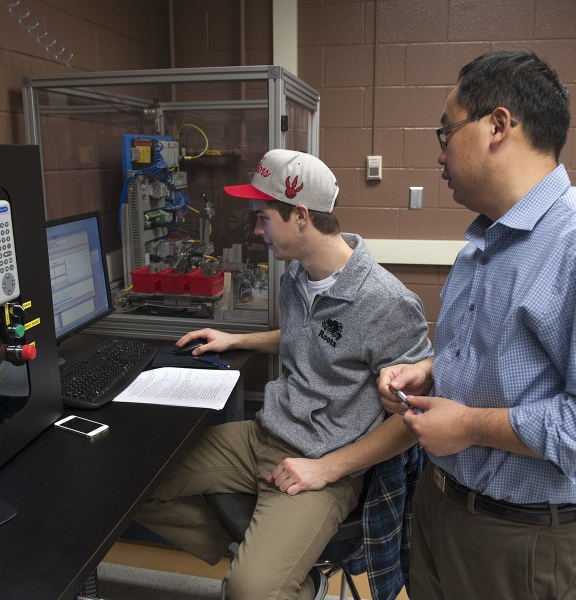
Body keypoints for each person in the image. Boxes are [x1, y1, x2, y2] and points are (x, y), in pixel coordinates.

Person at [377, 49, 576, 600]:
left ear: (498, 125)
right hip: (441, 503)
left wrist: (469, 426)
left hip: (519, 536)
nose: (439, 154)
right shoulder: (485, 241)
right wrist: (430, 370)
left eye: (446, 133)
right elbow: (505, 353)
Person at [135, 148, 433, 600]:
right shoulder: (296, 275)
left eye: (262, 218)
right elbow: (309, 336)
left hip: (324, 461)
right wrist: (236, 340)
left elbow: (414, 422)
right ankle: (273, 563)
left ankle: (272, 575)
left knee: (248, 592)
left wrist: (326, 469)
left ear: (299, 215)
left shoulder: (388, 303)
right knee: (131, 484)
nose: (256, 231)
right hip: (264, 435)